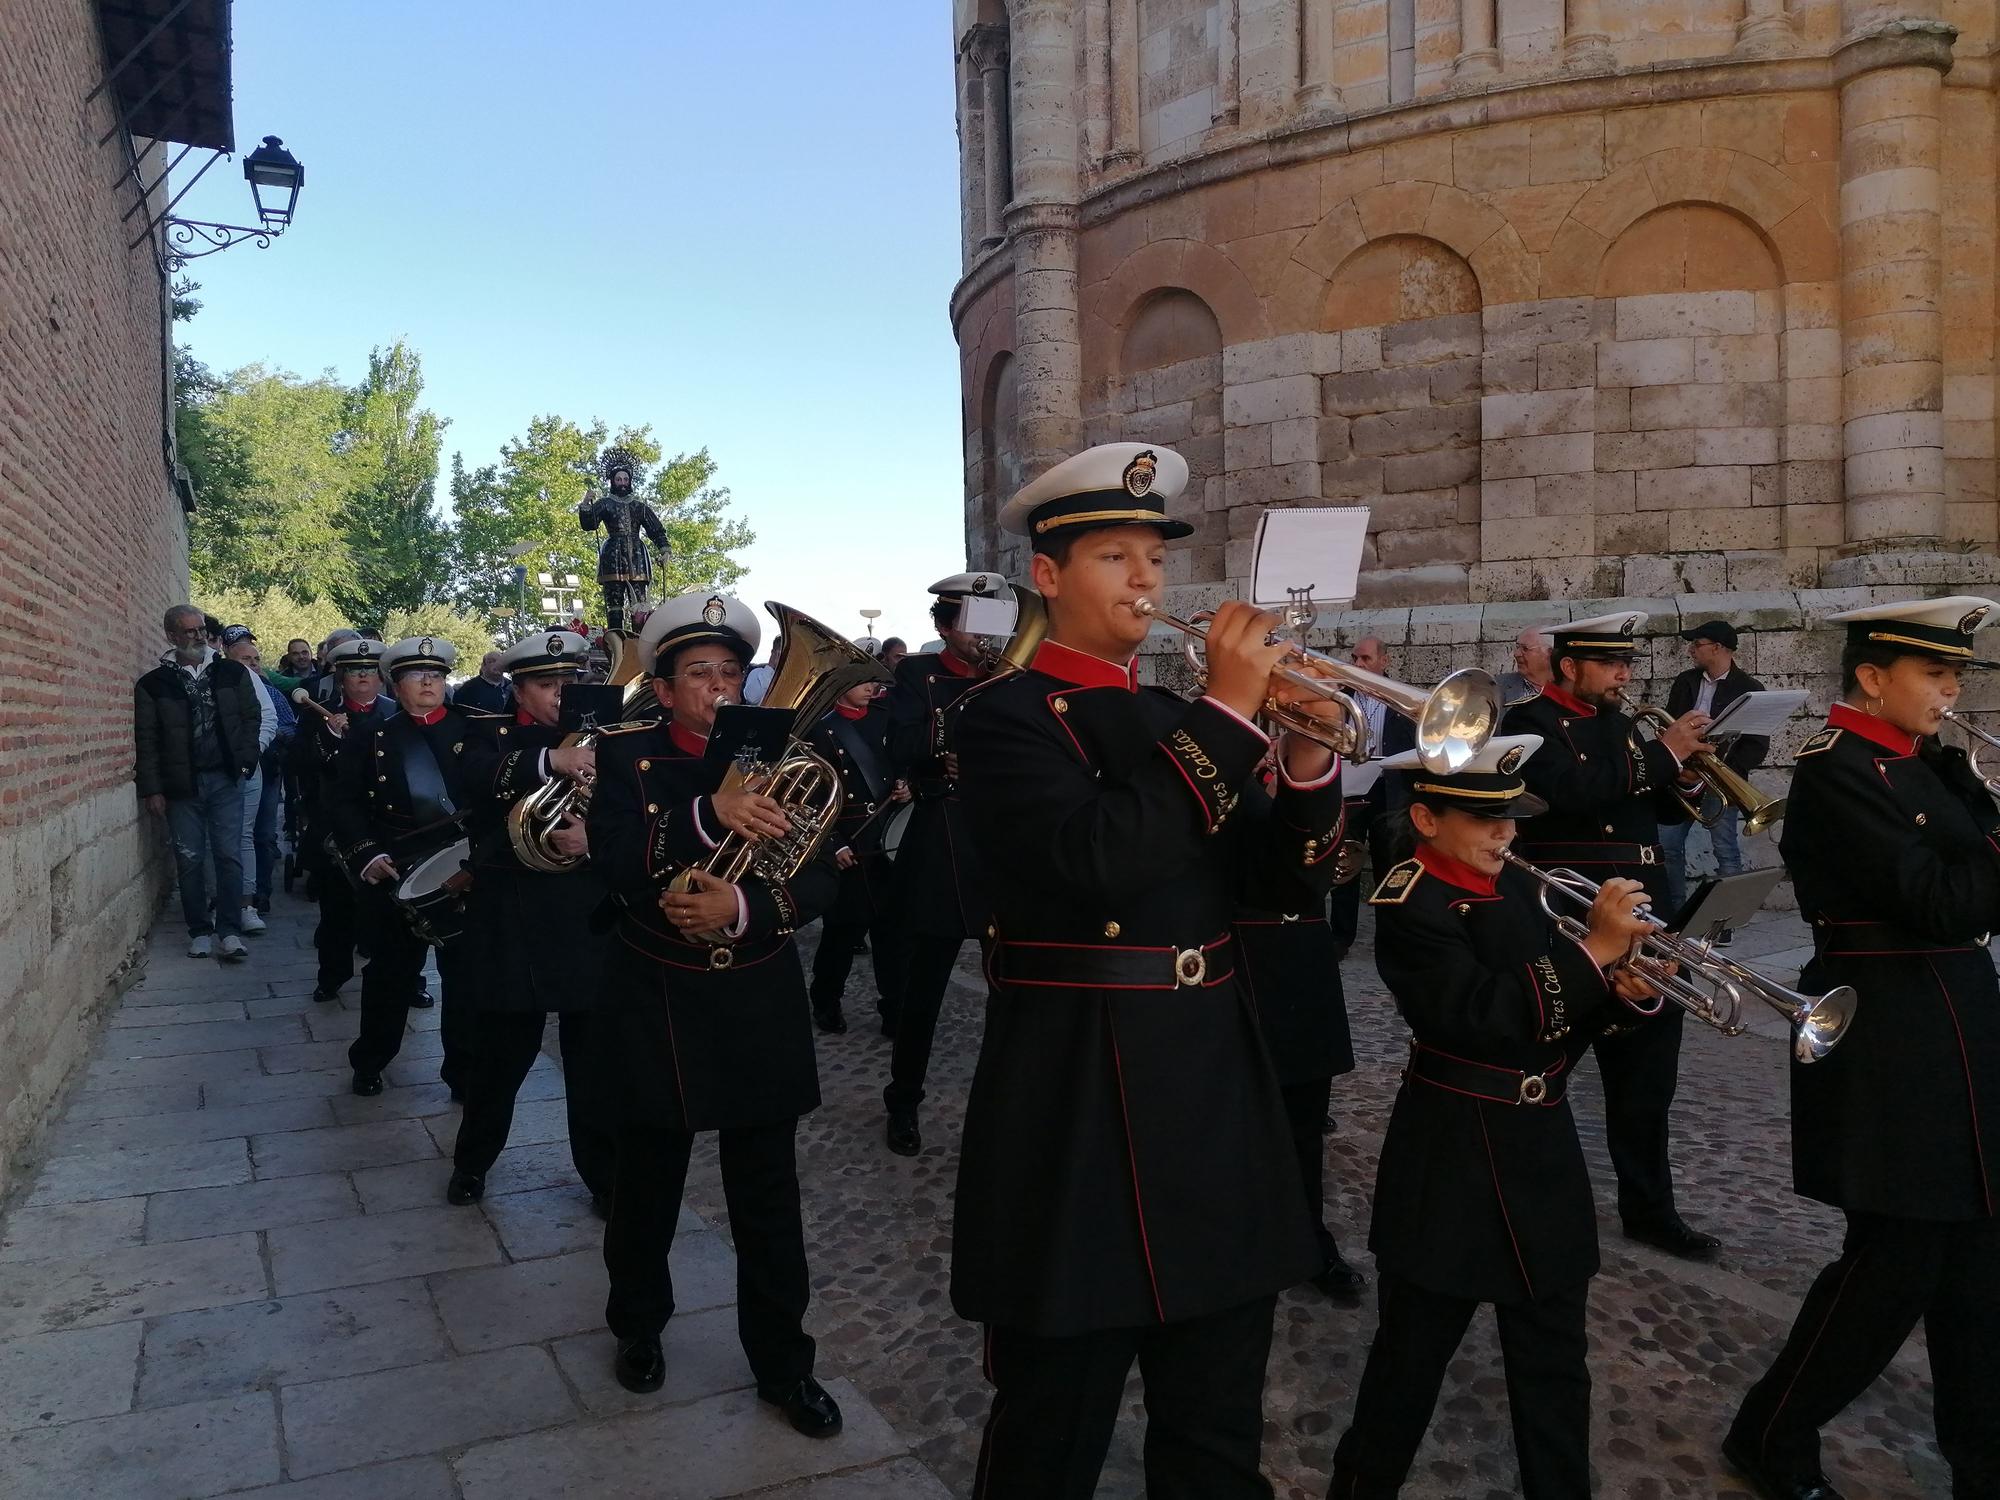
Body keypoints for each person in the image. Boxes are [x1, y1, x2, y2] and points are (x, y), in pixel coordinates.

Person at [953, 442, 1348, 1499]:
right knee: (1050, 1432)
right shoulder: (1002, 718)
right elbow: (1098, 861)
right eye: (1113, 557)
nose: (1144, 580)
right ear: (1046, 574)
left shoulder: (1184, 722)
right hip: (1071, 1103)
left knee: (1216, 1434)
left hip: (1211, 1097)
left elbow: (1277, 890)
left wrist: (1305, 759)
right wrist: (1227, 713)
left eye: (1153, 560)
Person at [1329, 734, 1658, 1500]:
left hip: (1541, 1151)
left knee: (1555, 1363)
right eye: (1484, 820)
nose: (1506, 834)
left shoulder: (1518, 885)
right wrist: (1594, 955)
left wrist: (1623, 992)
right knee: (1409, 1360)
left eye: (1509, 818)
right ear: (1426, 819)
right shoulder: (1411, 902)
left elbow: (1560, 1017)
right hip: (1452, 1159)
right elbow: (1481, 1016)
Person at [1725, 596, 2000, 1500]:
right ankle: (1771, 1432)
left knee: (1976, 1265)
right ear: (1874, 677)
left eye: (1956, 673)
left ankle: (1980, 1456)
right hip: (1890, 1037)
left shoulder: (1933, 764)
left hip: (1958, 1020)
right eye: (1934, 672)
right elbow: (1943, 902)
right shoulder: (1838, 772)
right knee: (1893, 1265)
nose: (1951, 688)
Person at [586, 592, 843, 1437]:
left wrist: (743, 909)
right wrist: (708, 815)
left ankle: (782, 1366)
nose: (718, 688)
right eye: (698, 674)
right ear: (661, 689)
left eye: (731, 671)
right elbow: (616, 864)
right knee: (647, 1185)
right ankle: (639, 1327)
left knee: (768, 1201)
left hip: (756, 993)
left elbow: (820, 872)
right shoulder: (626, 758)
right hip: (657, 995)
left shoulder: (789, 756)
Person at [1502, 612, 1718, 1260]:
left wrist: (1684, 775)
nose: (1625, 675)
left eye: (1626, 663)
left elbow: (1651, 804)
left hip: (1644, 916)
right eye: (1610, 663)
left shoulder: (1625, 727)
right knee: (1544, 1069)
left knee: (1648, 1082)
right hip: (1570, 919)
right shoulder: (1527, 724)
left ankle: (1650, 1210)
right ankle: (1520, 1197)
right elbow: (1572, 791)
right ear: (1570, 666)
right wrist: (1665, 754)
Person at [447, 631, 615, 1211]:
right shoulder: (486, 733)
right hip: (512, 917)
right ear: (518, 689)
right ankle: (472, 1162)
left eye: (571, 684)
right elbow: (471, 783)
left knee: (594, 1065)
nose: (561, 696)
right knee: (498, 1059)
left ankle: (603, 1176)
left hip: (584, 916)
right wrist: (551, 759)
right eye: (547, 685)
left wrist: (596, 838)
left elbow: (635, 814)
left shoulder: (610, 738)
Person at [878, 570, 1008, 1155]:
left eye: (994, 622)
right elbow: (899, 745)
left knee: (1014, 985)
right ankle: (903, 1100)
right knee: (922, 988)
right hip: (944, 843)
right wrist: (941, 756)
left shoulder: (1013, 675)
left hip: (1004, 846)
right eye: (974, 624)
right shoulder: (916, 674)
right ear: (943, 625)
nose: (986, 636)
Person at [326, 636, 476, 1098]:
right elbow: (344, 802)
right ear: (397, 682)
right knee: (389, 977)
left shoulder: (474, 731)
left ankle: (463, 1073)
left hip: (462, 869)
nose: (428, 681)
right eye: (416, 674)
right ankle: (370, 1060)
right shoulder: (372, 736)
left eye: (435, 674)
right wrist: (366, 852)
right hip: (396, 866)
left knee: (466, 981)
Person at [134, 605, 265, 962]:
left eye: (201, 629)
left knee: (228, 855)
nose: (197, 636)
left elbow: (252, 718)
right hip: (181, 784)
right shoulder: (153, 684)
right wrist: (153, 788)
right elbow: (146, 738)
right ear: (171, 636)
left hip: (226, 778)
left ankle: (229, 930)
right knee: (189, 858)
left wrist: (247, 760)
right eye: (188, 631)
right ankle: (199, 929)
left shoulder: (231, 673)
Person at [805, 678, 907, 1034]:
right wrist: (833, 843)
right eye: (860, 680)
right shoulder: (819, 731)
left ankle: (894, 1009)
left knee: (892, 934)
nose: (870, 686)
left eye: (872, 679)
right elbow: (809, 799)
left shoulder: (884, 719)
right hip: (850, 839)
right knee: (841, 934)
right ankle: (825, 1001)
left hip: (885, 837)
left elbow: (899, 763)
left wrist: (905, 785)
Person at [295, 638, 391, 1004]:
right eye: (354, 672)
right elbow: (302, 764)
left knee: (393, 916)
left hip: (384, 827)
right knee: (336, 909)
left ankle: (406, 981)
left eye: (369, 672)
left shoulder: (396, 714)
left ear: (380, 678)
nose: (362, 679)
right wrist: (331, 737)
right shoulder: (317, 715)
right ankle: (331, 976)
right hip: (336, 829)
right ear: (341, 678)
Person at [1659, 620, 1769, 932]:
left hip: (1721, 782)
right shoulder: (1685, 681)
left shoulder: (1750, 689)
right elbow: (1669, 727)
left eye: (1698, 643)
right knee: (1667, 848)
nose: (1691, 649)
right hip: (1682, 779)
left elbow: (1756, 747)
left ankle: (1725, 925)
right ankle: (1675, 920)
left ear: (1717, 648)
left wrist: (1718, 768)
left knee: (1726, 851)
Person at [220, 627, 280, 934]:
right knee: (211, 838)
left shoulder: (248, 678)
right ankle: (217, 905)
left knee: (244, 835)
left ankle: (246, 905)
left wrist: (250, 753)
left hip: (246, 768)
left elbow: (270, 717)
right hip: (209, 772)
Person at [578, 447, 670, 633]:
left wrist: (664, 549)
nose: (622, 483)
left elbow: (655, 529)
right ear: (612, 481)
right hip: (612, 555)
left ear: (630, 481)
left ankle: (640, 642)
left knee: (640, 603)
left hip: (637, 557)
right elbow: (589, 524)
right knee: (614, 603)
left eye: (625, 480)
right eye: (618, 479)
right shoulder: (605, 503)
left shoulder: (639, 506)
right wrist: (586, 503)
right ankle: (616, 644)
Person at [1495, 626, 1552, 706]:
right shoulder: (1497, 687)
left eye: (1525, 649)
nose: (1516, 654)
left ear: (1548, 653)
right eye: (1517, 647)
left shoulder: (1566, 688)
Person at [452, 650, 514, 716]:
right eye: (491, 661)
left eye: (499, 662)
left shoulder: (512, 687)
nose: (497, 665)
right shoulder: (469, 687)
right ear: (483, 666)